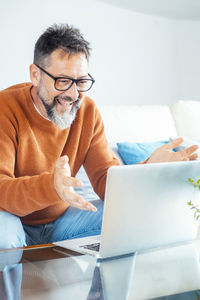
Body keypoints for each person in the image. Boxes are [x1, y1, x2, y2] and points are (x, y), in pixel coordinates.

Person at [0, 24, 198, 249]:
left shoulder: (87, 111)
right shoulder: (5, 108)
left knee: (133, 214)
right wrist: (51, 186)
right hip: (11, 219)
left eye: (82, 82)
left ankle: (108, 284)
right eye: (63, 81)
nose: (74, 95)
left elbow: (107, 180)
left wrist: (149, 169)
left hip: (63, 221)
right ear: (35, 75)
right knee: (2, 237)